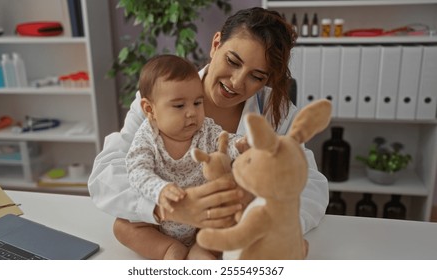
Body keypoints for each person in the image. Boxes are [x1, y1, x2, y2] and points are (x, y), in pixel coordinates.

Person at [88, 7, 329, 259]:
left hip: (223, 226)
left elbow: (310, 185)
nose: (236, 82)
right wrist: (166, 208)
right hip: (165, 226)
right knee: (123, 226)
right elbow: (107, 172)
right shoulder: (162, 99)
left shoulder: (275, 113)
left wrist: (261, 214)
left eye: (256, 76)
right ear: (216, 45)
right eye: (233, 62)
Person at [124, 54, 241, 259]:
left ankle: (201, 252)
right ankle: (169, 250)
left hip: (202, 218)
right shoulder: (147, 137)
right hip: (160, 221)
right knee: (122, 225)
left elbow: (225, 142)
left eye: (197, 103)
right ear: (150, 109)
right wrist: (159, 190)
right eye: (179, 106)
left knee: (224, 222)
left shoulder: (206, 129)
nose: (192, 113)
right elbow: (136, 170)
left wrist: (241, 145)